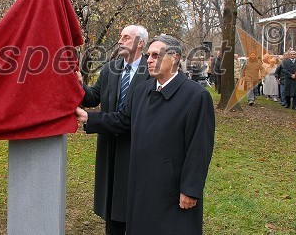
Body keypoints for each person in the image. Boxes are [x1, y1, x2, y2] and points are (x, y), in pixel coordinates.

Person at [76, 34, 215, 235]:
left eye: (156, 55)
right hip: (140, 183)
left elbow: (199, 148)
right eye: (149, 55)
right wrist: (89, 118)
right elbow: (122, 120)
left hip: (172, 191)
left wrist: (190, 190)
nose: (149, 60)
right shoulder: (142, 91)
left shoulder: (196, 96)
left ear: (174, 58)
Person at [76, 25, 150, 235]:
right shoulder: (110, 69)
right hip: (110, 149)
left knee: (135, 208)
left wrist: (90, 119)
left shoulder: (151, 72)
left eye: (126, 37)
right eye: (120, 37)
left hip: (137, 148)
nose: (120, 41)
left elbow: (131, 118)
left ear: (140, 43)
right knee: (112, 210)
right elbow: (92, 98)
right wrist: (79, 85)